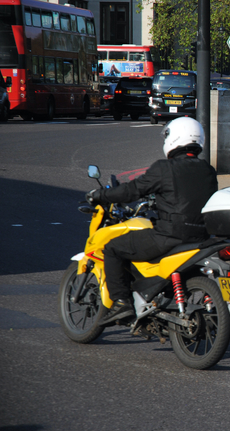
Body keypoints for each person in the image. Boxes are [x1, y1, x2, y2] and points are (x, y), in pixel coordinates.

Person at [86, 118, 219, 325]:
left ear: (174, 137)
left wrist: (101, 195)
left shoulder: (164, 168)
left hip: (170, 237)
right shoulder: (207, 170)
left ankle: (122, 303)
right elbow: (190, 199)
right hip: (200, 237)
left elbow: (132, 191)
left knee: (112, 248)